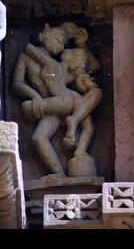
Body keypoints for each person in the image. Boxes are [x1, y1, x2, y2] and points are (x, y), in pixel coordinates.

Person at [12, 23, 101, 176]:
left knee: (29, 108)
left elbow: (94, 67)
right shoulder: (27, 57)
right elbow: (16, 83)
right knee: (38, 137)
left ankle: (76, 140)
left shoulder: (59, 65)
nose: (60, 47)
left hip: (64, 100)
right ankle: (59, 174)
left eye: (63, 45)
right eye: (59, 39)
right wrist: (34, 96)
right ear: (45, 31)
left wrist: (82, 45)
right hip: (53, 105)